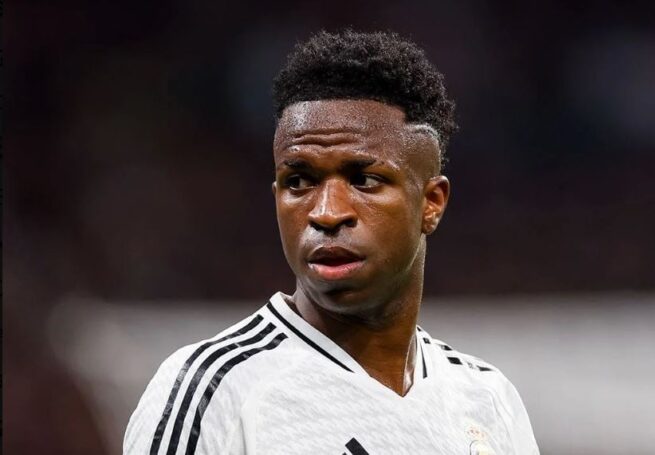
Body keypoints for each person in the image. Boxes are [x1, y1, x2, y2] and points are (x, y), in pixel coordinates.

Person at [124, 30, 539, 455]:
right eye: (299, 181)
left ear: (431, 203)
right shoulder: (214, 391)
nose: (326, 212)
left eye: (364, 180)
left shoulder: (488, 401)